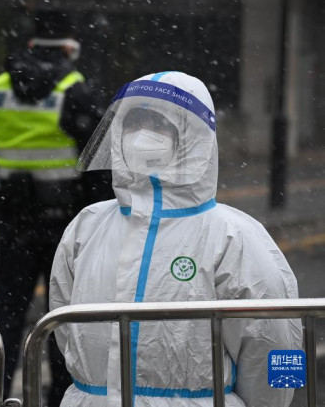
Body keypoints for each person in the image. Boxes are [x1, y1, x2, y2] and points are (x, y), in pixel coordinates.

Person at [49, 71, 303, 407]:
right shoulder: (88, 225)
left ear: (192, 137)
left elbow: (275, 343)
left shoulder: (234, 236)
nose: (142, 136)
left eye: (158, 124)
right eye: (133, 122)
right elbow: (65, 326)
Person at [0, 10, 112, 406]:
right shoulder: (76, 89)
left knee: (6, 318)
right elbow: (98, 167)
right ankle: (57, 398)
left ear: (31, 44)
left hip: (14, 223)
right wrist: (100, 221)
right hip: (66, 226)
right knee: (59, 319)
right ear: (70, 46)